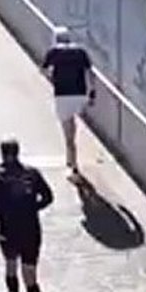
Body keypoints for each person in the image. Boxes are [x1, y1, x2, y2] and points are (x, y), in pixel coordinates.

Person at [0, 139, 53, 292]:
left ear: (2, 154)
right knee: (30, 274)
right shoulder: (32, 174)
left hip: (9, 232)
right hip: (31, 230)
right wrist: (33, 207)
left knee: (11, 268)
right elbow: (48, 197)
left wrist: (2, 213)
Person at [42, 27, 95, 179]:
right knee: (76, 124)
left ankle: (73, 165)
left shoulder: (53, 53)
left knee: (69, 135)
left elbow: (44, 70)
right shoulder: (81, 52)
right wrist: (91, 94)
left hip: (63, 95)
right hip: (80, 94)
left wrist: (53, 79)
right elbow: (90, 73)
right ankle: (72, 163)